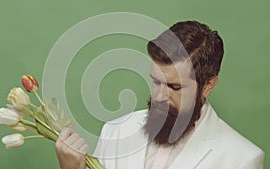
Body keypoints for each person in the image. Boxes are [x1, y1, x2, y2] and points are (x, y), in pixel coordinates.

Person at [55, 21, 265, 169]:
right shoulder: (115, 132)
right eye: (156, 81)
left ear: (208, 85)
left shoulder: (242, 159)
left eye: (174, 87)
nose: (159, 97)